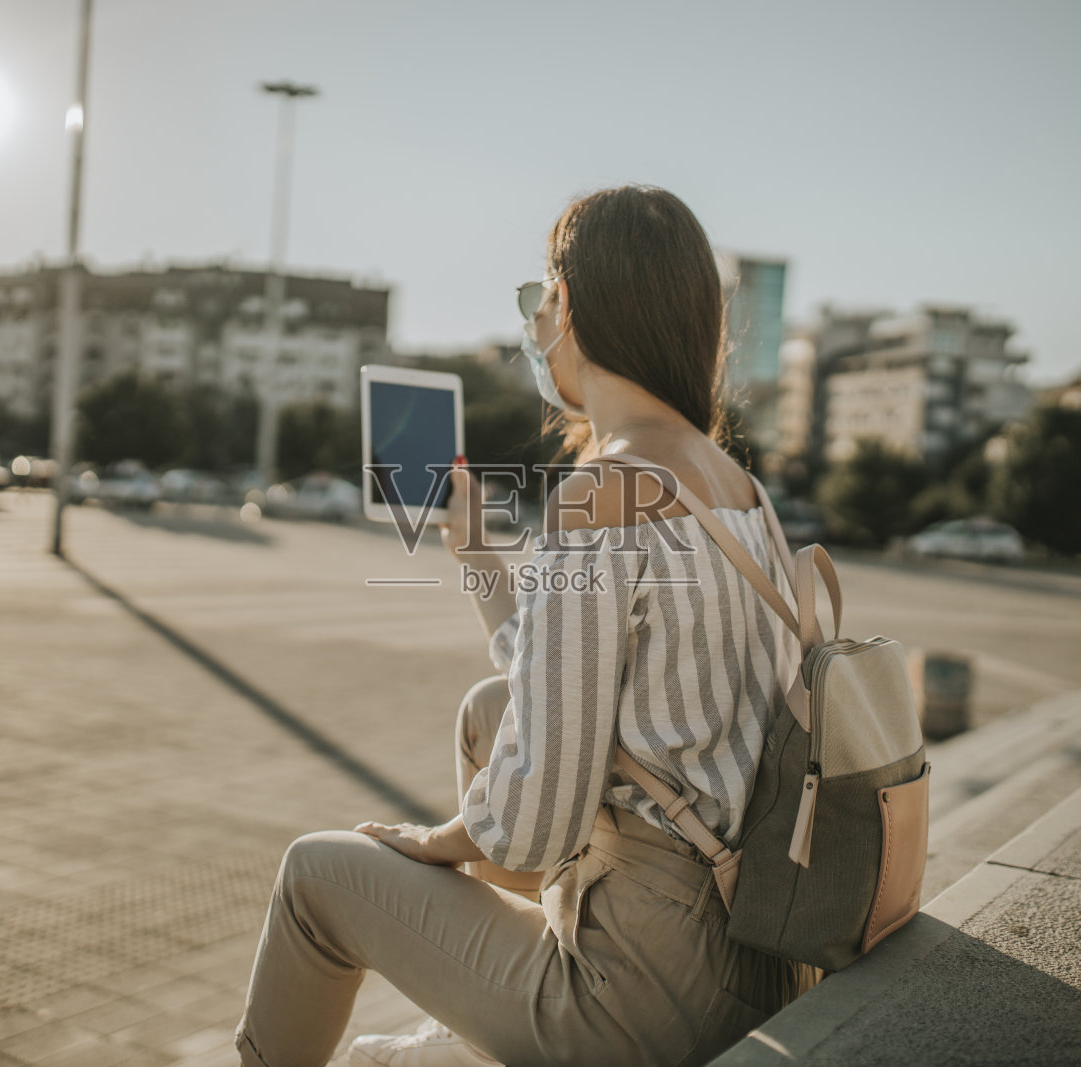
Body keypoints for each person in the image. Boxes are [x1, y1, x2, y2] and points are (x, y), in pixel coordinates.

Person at [234, 185, 821, 1067]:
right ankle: (485, 1010)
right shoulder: (742, 493)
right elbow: (558, 681)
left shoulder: (601, 493)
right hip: (753, 949)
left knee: (315, 873)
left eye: (536, 297)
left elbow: (537, 819)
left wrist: (435, 840)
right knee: (489, 709)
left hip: (643, 993)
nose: (533, 323)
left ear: (570, 306)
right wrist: (478, 555)